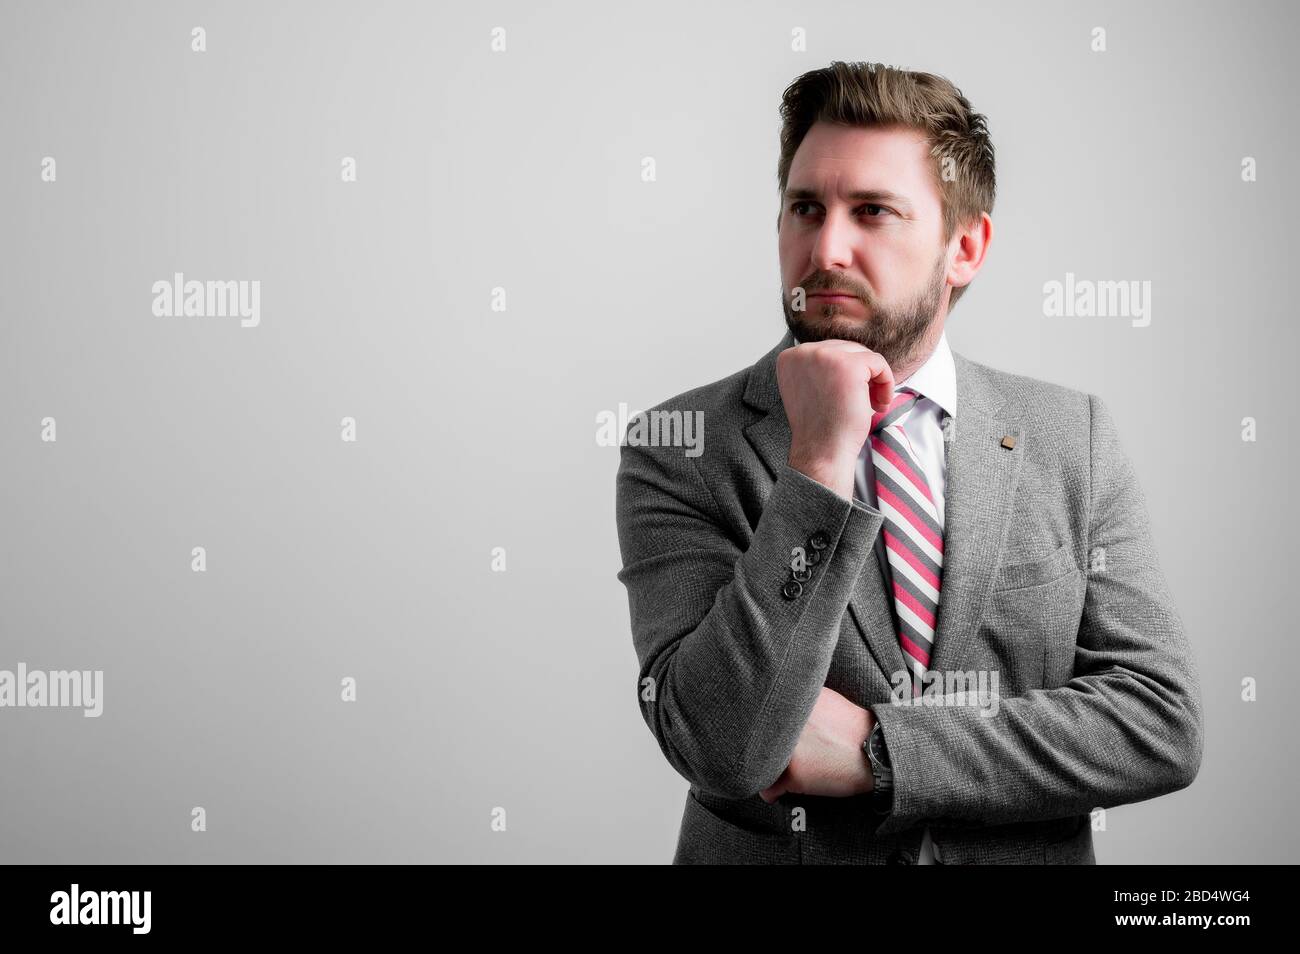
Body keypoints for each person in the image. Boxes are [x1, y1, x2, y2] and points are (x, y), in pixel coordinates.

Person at [613, 61, 1202, 864]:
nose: (827, 249)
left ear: (964, 246)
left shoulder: (1073, 438)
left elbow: (1157, 723)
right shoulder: (681, 444)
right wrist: (817, 466)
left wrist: (881, 754)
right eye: (805, 208)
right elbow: (720, 747)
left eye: (873, 212)